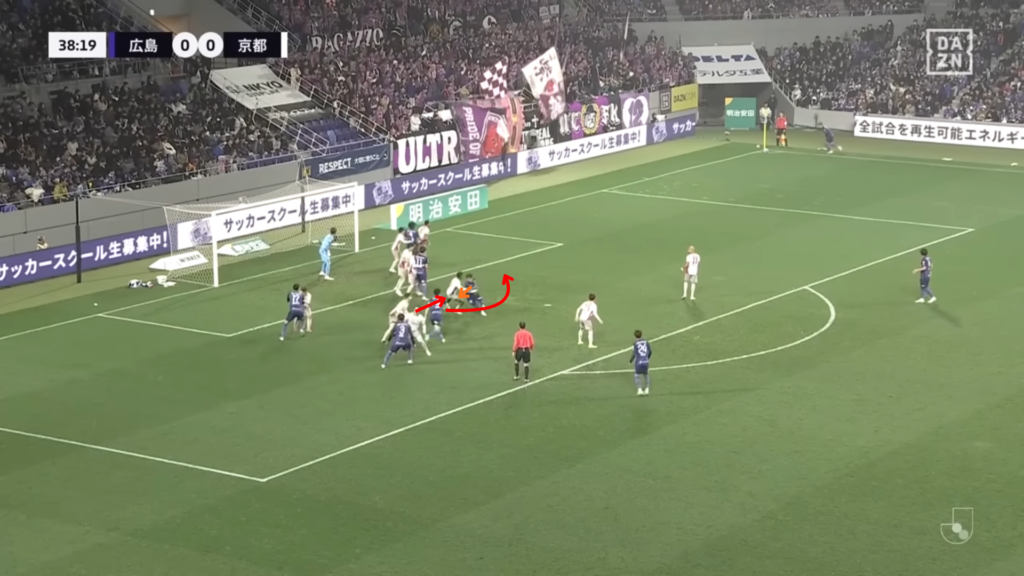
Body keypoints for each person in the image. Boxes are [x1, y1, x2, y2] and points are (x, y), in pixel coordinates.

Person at [629, 330, 653, 396]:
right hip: (646, 361)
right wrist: (647, 358)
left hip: (639, 362)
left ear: (635, 336)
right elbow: (650, 351)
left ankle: (639, 390)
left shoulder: (635, 343)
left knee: (636, 375)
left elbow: (634, 354)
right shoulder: (646, 342)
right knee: (646, 375)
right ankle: (647, 389)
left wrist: (630, 361)